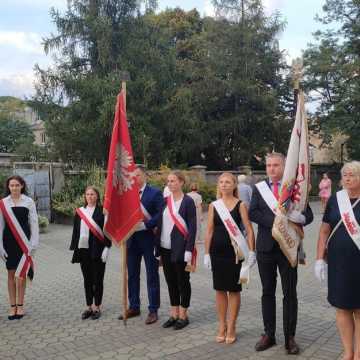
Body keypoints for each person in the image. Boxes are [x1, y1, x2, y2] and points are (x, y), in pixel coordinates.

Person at [249, 152, 314, 354]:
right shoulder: (259, 188)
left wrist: (297, 217)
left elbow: (309, 215)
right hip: (266, 248)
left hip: (288, 248)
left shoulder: (294, 189)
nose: (272, 169)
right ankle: (269, 334)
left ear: (284, 167)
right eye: (269, 165)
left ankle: (290, 338)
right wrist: (277, 223)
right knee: (267, 292)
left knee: (290, 294)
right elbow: (253, 213)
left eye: (276, 165)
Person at [315, 161, 360, 360]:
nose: (348, 178)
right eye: (345, 175)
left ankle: (359, 353)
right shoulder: (335, 200)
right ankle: (348, 351)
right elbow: (324, 230)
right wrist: (318, 259)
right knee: (342, 307)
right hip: (338, 263)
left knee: (359, 310)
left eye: (353, 175)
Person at [204, 172, 256, 344]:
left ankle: (232, 325)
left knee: (233, 290)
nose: (224, 184)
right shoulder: (214, 205)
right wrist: (206, 253)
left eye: (228, 182)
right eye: (221, 182)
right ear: (218, 185)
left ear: (234, 185)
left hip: (235, 254)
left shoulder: (240, 205)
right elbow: (209, 230)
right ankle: (222, 325)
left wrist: (251, 251)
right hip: (217, 254)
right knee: (219, 289)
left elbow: (248, 229)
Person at [118, 166, 163, 324]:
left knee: (151, 274)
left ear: (145, 175)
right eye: (132, 176)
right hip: (131, 240)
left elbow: (160, 213)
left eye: (137, 175)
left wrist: (147, 224)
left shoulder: (155, 193)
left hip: (149, 238)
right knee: (132, 275)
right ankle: (134, 306)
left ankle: (153, 309)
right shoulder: (127, 194)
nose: (134, 178)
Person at [156, 171, 197, 330]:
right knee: (170, 281)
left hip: (181, 249)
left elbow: (192, 228)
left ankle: (183, 315)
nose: (170, 183)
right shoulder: (165, 201)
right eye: (168, 181)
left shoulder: (188, 202)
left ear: (181, 182)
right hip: (165, 247)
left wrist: (189, 249)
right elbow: (160, 225)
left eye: (173, 181)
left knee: (183, 281)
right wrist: (157, 247)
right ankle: (174, 314)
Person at [0, 175, 39, 320]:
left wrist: (34, 244)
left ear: (22, 186)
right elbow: (0, 226)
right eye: (12, 185)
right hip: (9, 242)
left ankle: (21, 305)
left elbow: (34, 223)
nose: (14, 188)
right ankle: (12, 306)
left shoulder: (29, 202)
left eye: (17, 185)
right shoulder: (3, 203)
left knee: (21, 275)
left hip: (24, 243)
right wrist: (0, 246)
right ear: (8, 187)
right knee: (11, 274)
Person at [70, 186, 111, 320]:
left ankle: (97, 306)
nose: (90, 196)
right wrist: (75, 248)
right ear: (85, 196)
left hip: (98, 250)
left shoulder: (102, 212)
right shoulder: (80, 212)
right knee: (87, 279)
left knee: (97, 279)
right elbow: (76, 231)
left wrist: (107, 248)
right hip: (84, 250)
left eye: (92, 194)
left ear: (97, 196)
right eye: (87, 194)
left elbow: (107, 232)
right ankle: (89, 306)